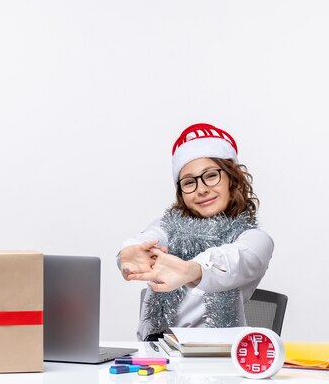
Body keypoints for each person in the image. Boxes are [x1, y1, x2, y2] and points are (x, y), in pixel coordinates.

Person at [117, 123, 274, 341]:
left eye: (211, 176)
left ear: (232, 179)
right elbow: (148, 239)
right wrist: (130, 252)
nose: (201, 189)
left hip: (218, 358)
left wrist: (191, 270)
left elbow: (231, 261)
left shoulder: (255, 239)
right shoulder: (168, 227)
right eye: (189, 182)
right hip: (155, 356)